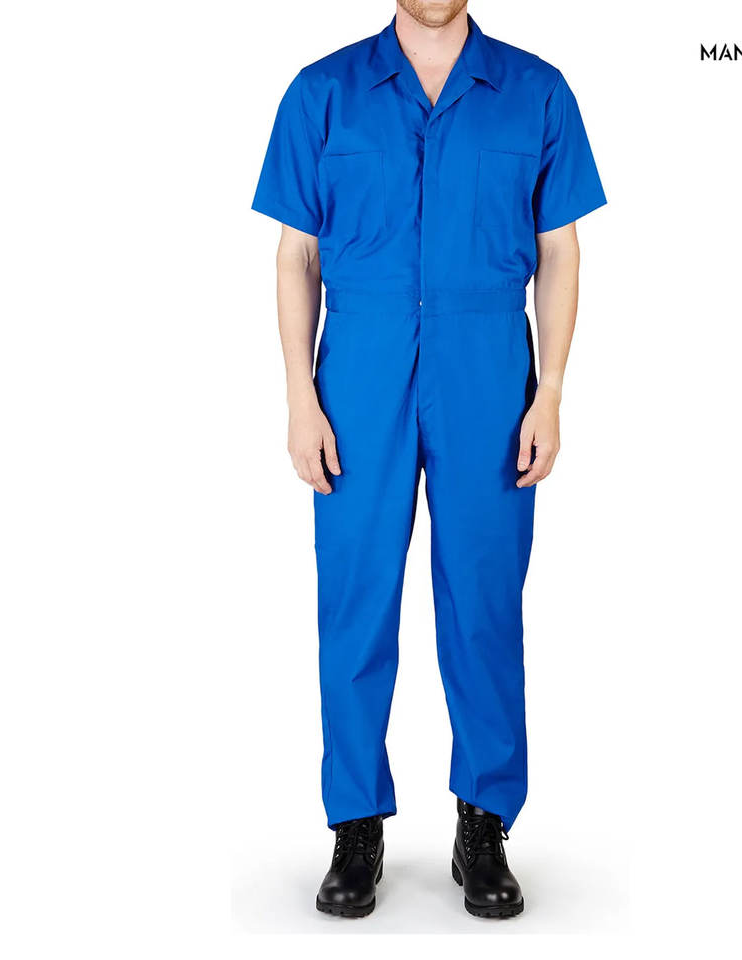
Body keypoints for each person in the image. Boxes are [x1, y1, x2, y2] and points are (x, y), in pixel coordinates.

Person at [252, 0, 606, 919]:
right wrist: (299, 396)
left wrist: (551, 391)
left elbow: (561, 251)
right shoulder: (322, 92)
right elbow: (295, 257)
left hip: (487, 367)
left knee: (483, 600)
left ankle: (482, 822)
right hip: (358, 372)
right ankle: (355, 823)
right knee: (355, 599)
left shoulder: (536, 92)